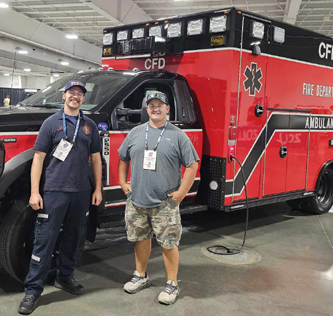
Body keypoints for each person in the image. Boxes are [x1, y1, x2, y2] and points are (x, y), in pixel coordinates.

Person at [18, 80, 103, 315]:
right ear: (63, 96)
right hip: (55, 191)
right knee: (44, 240)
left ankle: (65, 278)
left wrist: (97, 189)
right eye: (72, 93)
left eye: (80, 94)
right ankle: (32, 291)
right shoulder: (51, 123)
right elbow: (38, 158)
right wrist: (35, 192)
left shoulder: (89, 126)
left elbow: (96, 158)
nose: (75, 97)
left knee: (74, 238)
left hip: (81, 192)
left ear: (83, 99)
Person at [116, 92, 199, 305]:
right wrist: (123, 183)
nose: (155, 109)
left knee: (169, 243)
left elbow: (192, 165)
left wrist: (181, 194)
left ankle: (172, 284)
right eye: (151, 105)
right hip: (137, 201)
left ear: (167, 109)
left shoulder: (178, 135)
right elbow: (123, 159)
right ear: (147, 109)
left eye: (159, 105)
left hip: (165, 203)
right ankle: (140, 276)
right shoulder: (135, 133)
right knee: (141, 239)